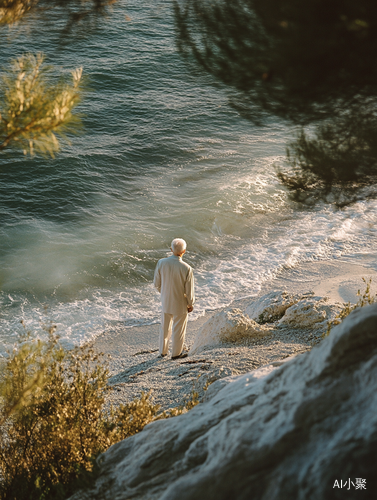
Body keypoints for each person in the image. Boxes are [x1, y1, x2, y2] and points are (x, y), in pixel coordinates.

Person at [154, 238, 195, 359]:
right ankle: (176, 353)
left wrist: (164, 293)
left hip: (166, 300)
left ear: (171, 249)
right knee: (179, 328)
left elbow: (157, 283)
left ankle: (162, 351)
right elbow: (189, 291)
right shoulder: (187, 268)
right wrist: (190, 304)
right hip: (180, 303)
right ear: (184, 251)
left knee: (164, 327)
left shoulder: (161, 263)